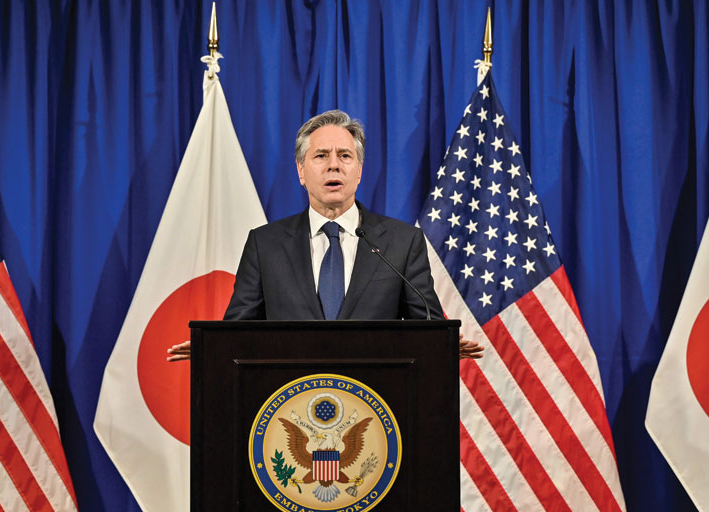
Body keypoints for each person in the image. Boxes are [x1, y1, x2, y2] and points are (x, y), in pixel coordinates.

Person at [167, 110, 483, 360]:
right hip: (289, 400)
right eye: (321, 156)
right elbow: (240, 328)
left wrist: (439, 344)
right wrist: (214, 346)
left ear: (359, 170)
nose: (334, 166)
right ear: (301, 171)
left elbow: (424, 324)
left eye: (345, 156)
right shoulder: (265, 244)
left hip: (375, 400)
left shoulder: (402, 242)